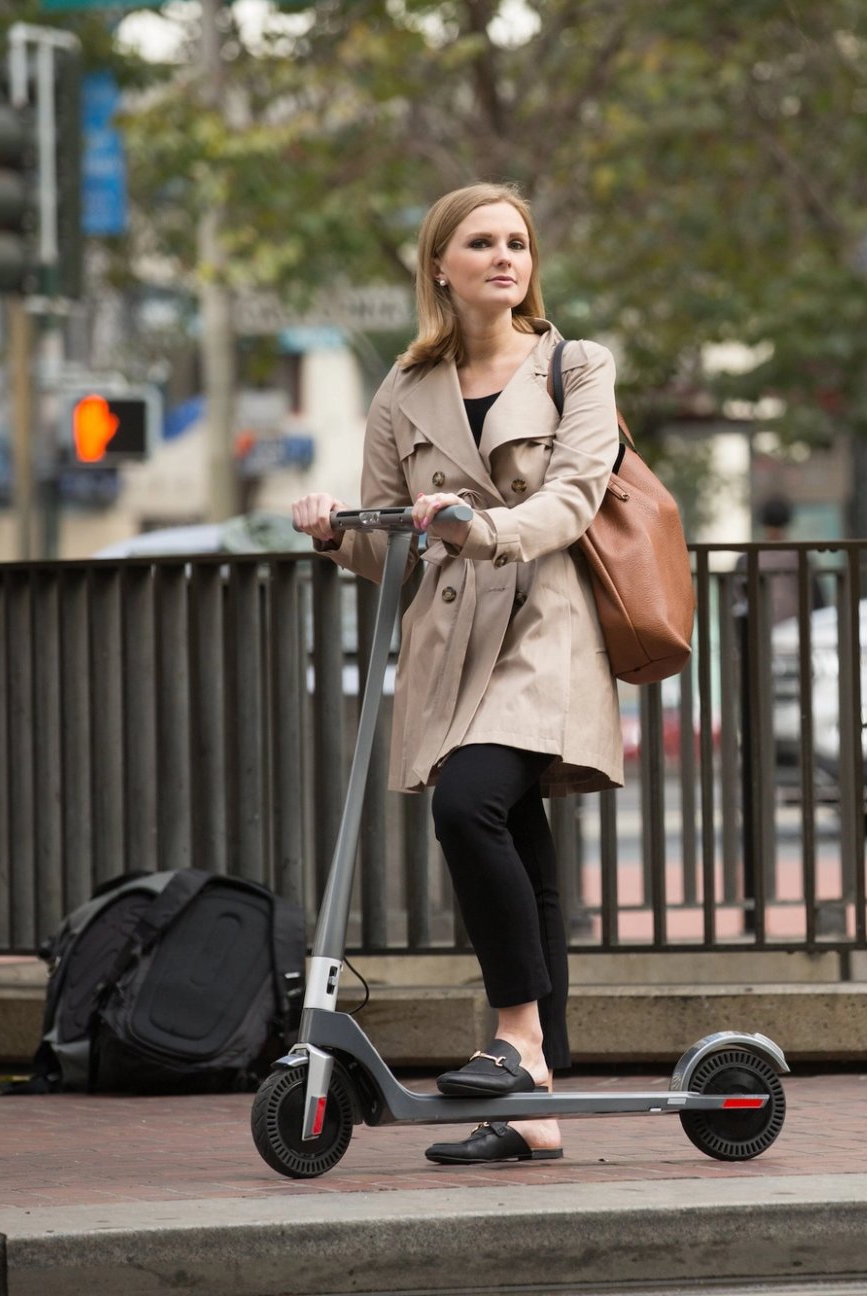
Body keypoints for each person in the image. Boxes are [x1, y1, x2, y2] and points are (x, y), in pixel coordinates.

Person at [291, 181, 622, 1167]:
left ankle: (517, 1039)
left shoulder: (576, 366)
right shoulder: (404, 389)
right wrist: (333, 530)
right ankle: (535, 1108)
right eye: (480, 242)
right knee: (516, 837)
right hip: (451, 640)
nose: (504, 257)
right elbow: (389, 551)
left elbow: (575, 497)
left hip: (544, 622)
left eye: (517, 241)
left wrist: (482, 530)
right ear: (440, 266)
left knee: (469, 804)